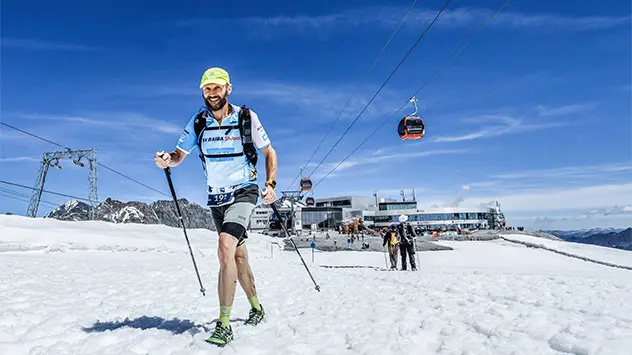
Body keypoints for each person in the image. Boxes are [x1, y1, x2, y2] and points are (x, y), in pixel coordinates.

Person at [154, 67, 278, 347]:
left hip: (244, 190)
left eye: (217, 88)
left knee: (225, 246)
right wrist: (166, 159)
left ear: (228, 89)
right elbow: (178, 155)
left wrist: (270, 183)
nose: (212, 93)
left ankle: (224, 324)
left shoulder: (247, 118)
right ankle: (256, 307)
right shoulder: (198, 122)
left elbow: (269, 151)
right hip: (216, 198)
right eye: (207, 89)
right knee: (238, 257)